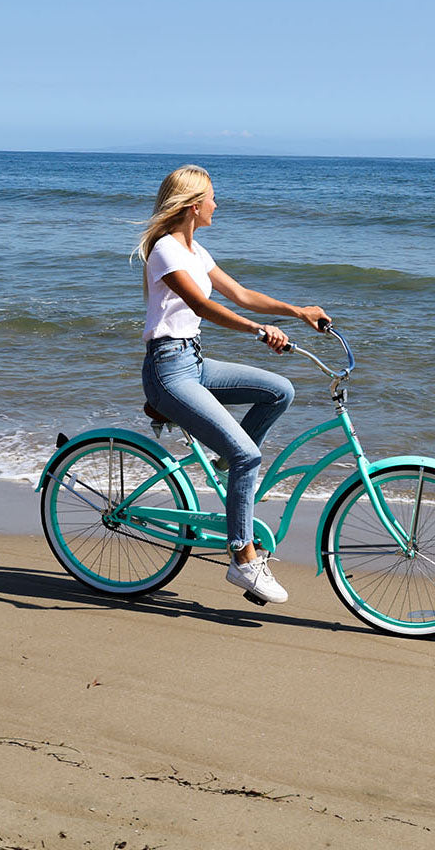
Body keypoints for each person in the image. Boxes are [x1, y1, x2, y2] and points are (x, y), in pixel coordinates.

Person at [137, 165, 330, 604]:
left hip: (194, 361)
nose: (216, 204)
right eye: (211, 197)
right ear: (193, 205)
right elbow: (202, 306)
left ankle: (228, 459)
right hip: (168, 370)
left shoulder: (196, 251)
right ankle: (242, 559)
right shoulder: (165, 250)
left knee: (279, 391)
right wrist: (258, 331)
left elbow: (241, 295)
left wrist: (298, 311)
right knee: (249, 455)